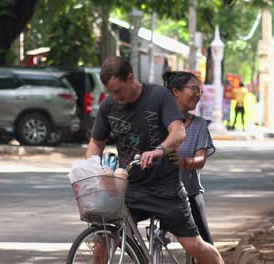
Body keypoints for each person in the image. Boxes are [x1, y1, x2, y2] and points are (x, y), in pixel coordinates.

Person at [86, 56, 224, 263]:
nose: (115, 97)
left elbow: (178, 132)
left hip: (165, 188)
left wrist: (159, 150)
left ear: (130, 78)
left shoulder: (159, 97)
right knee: (102, 242)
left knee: (194, 245)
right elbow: (96, 143)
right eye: (110, 92)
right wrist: (91, 168)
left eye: (117, 90)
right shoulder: (109, 106)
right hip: (128, 187)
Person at [164, 71, 216, 245]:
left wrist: (183, 162)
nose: (197, 94)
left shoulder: (199, 125)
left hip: (190, 193)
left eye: (199, 91)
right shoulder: (157, 122)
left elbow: (200, 160)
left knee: (205, 245)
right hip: (159, 193)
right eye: (193, 89)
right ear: (175, 91)